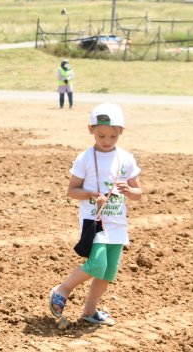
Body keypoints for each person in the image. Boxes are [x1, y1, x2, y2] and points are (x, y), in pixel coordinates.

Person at [48, 103, 142, 326]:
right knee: (96, 264)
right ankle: (63, 289)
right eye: (101, 135)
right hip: (95, 221)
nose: (107, 140)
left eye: (113, 136)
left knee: (107, 272)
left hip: (117, 224)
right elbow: (72, 191)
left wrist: (131, 191)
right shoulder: (85, 158)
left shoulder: (126, 159)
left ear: (121, 132)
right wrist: (91, 194)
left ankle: (90, 311)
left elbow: (139, 193)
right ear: (91, 129)